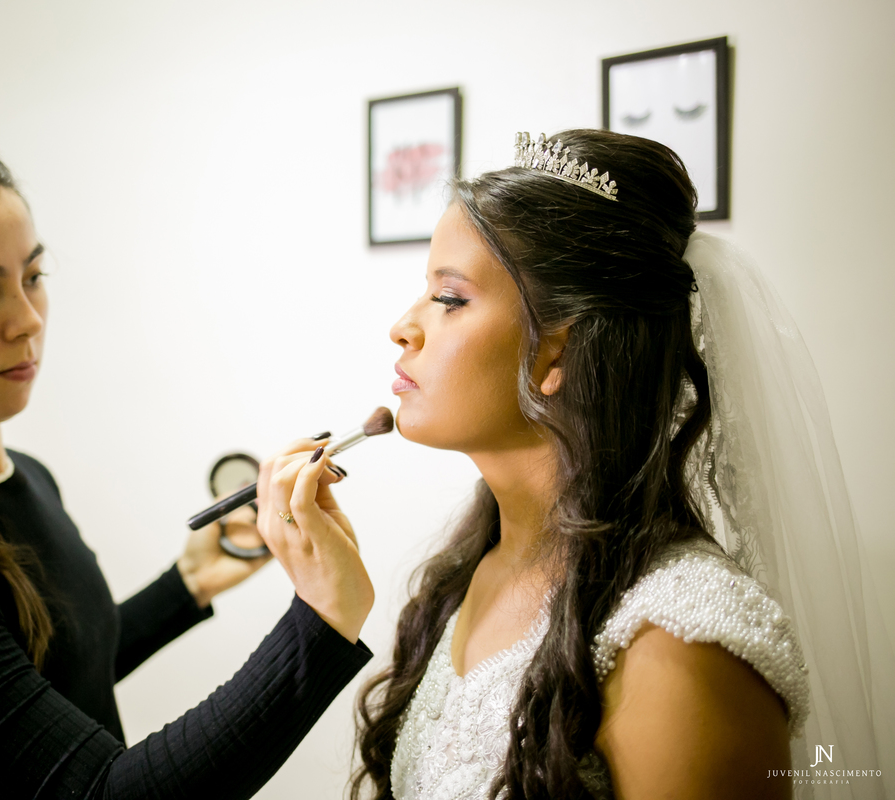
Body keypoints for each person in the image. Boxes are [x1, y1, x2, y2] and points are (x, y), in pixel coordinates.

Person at [0, 112, 374, 799]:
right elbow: (97, 791)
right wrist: (323, 621)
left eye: (33, 275)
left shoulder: (26, 479)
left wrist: (187, 586)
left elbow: (41, 691)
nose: (26, 318)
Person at [349, 130, 891, 800]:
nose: (403, 326)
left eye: (450, 298)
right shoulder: (471, 569)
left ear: (556, 352)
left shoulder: (679, 641)